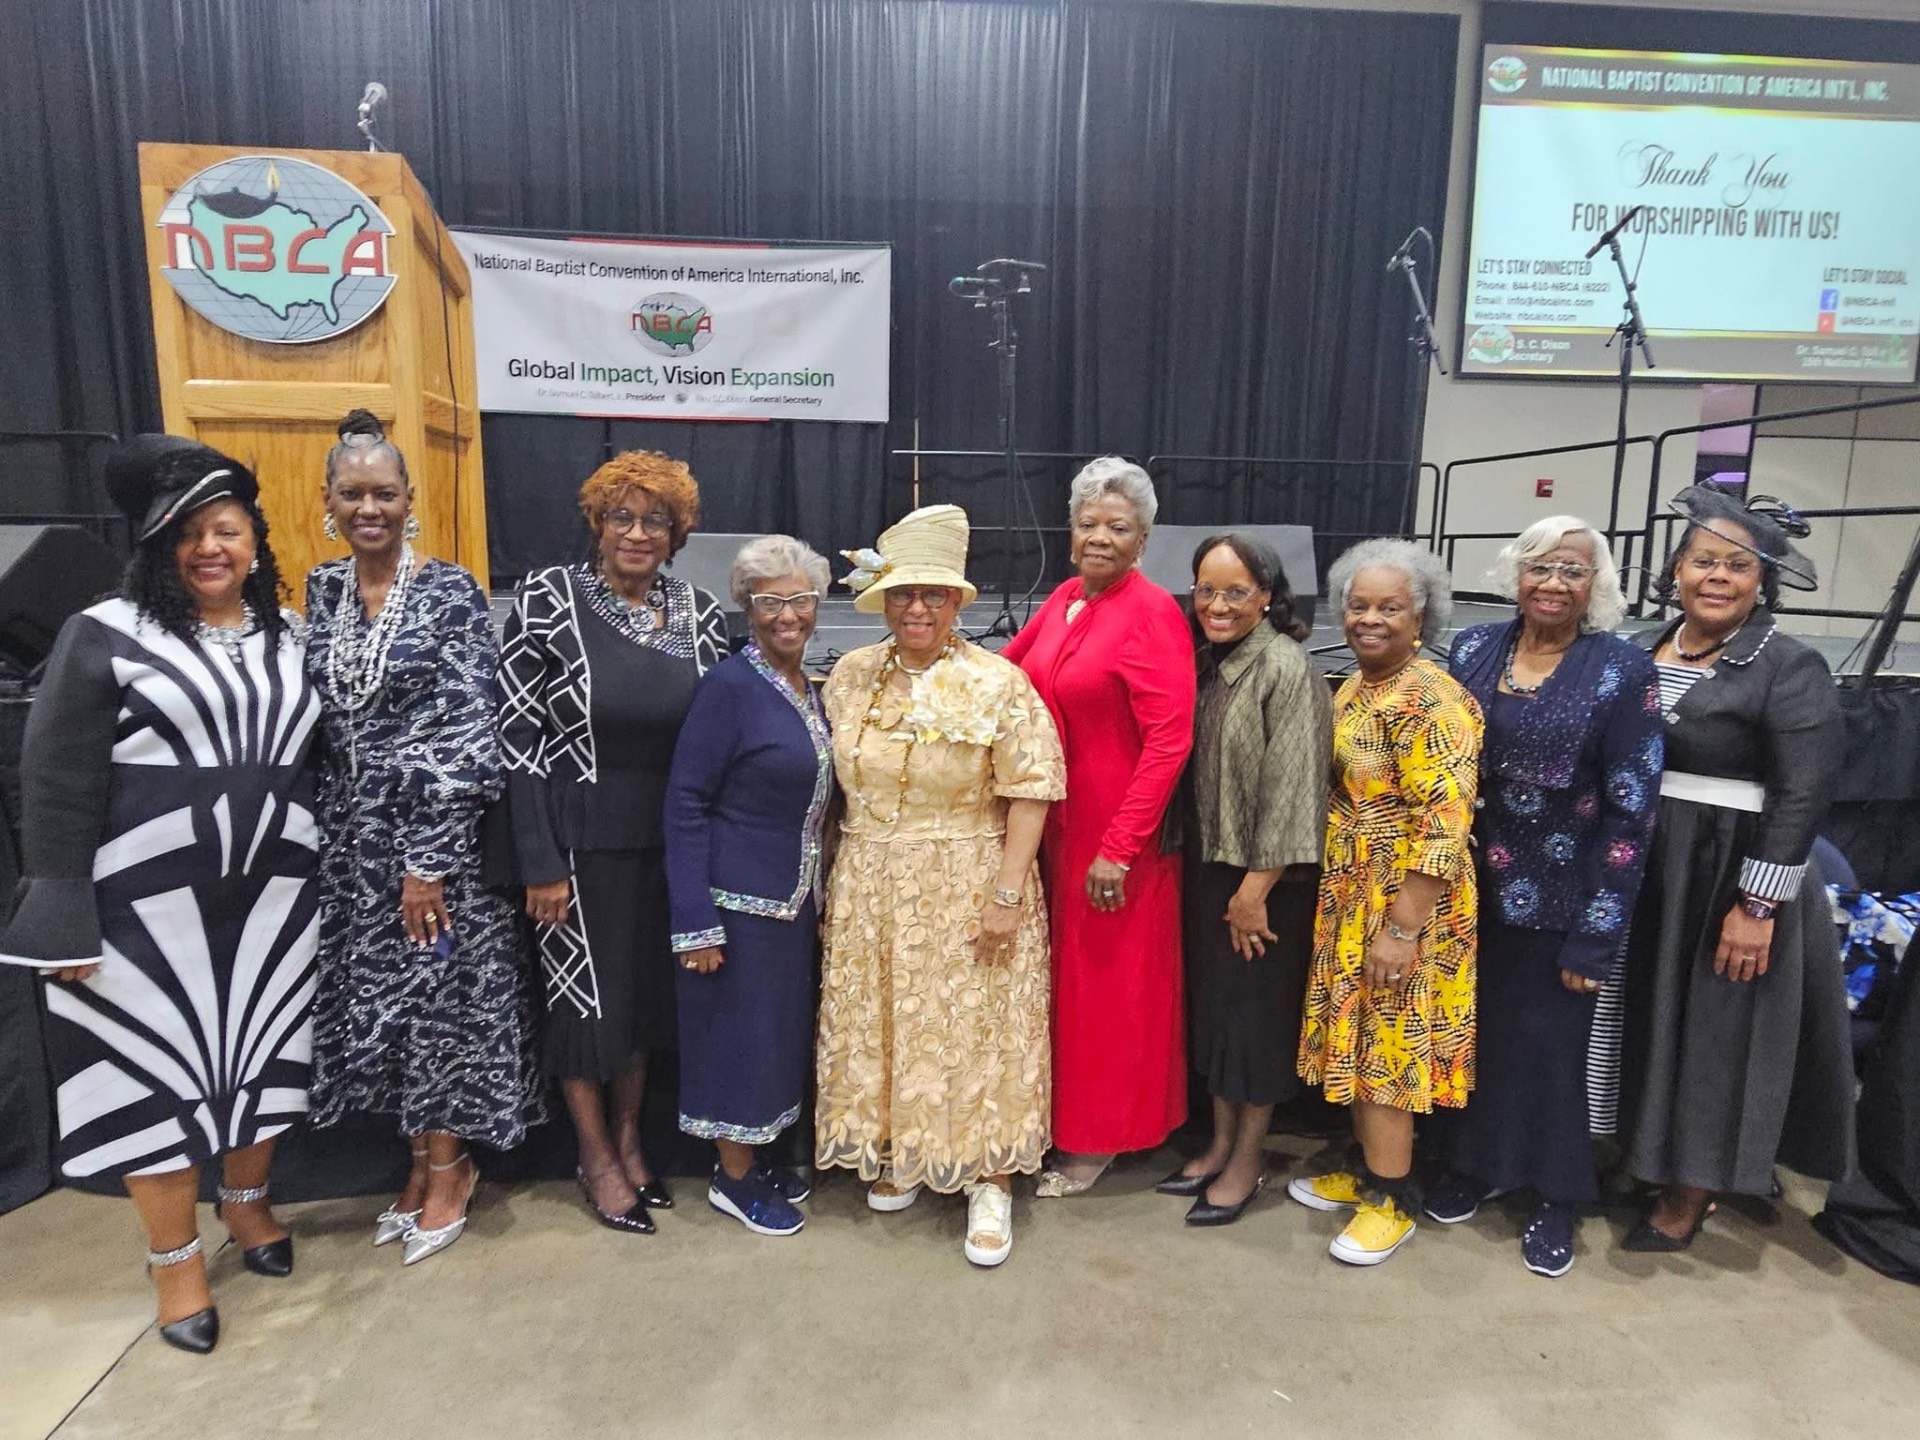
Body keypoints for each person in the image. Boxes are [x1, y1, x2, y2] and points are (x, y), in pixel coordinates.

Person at [0, 436, 317, 1353]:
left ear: (255, 539)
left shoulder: (290, 635)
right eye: (188, 534)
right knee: (153, 1078)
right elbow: (54, 778)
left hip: (273, 902)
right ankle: (174, 1260)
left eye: (227, 529)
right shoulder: (104, 630)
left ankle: (248, 1208)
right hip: (143, 908)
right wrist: (58, 906)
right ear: (155, 546)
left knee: (259, 1063)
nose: (210, 548)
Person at [306, 410, 542, 1267]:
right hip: (349, 850)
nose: (369, 506)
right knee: (387, 1012)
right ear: (327, 501)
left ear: (411, 501)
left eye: (384, 493)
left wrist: (427, 861)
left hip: (430, 853)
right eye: (352, 493)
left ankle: (452, 1169)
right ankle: (414, 1164)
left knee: (439, 1007)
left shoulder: (449, 592)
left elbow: (470, 733)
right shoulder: (322, 591)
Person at [814, 504, 1064, 1267]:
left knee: (977, 1029)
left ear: (960, 601)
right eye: (902, 594)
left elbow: (1032, 789)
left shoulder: (998, 682)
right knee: (889, 1018)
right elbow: (833, 792)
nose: (916, 608)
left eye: (934, 594)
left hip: (967, 877)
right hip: (872, 877)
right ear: (882, 600)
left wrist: (1007, 894)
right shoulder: (852, 677)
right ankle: (911, 1148)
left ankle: (990, 1179)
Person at [1606, 485, 1854, 1251]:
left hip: (1728, 872)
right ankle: (1646, 1156)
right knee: (1652, 1017)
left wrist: (1758, 905)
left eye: (1737, 566)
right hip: (1650, 863)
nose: (1717, 576)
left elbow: (1804, 791)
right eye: (1703, 559)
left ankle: (1692, 1190)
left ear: (1761, 582)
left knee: (1717, 1034)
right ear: (1676, 570)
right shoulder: (1642, 642)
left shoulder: (1787, 663)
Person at [498, 450, 728, 1235]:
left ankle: (631, 1141)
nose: (637, 532)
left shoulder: (699, 614)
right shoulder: (548, 600)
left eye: (655, 520)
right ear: (597, 524)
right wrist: (538, 859)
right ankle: (593, 1155)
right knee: (585, 1007)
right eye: (621, 517)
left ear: (678, 532)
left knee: (642, 1006)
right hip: (578, 849)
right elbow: (518, 739)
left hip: (671, 848)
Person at [1437, 518, 1662, 1276]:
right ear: (1516, 574)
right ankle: (1476, 1164)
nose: (1554, 583)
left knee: (1550, 1052)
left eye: (1572, 569)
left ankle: (1558, 1195)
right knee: (1481, 1037)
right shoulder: (1473, 649)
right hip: (1468, 888)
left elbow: (1634, 809)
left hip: (1565, 898)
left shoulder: (1623, 671)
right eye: (1540, 567)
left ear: (1595, 583)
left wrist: (1597, 933)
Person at [1000, 457, 1195, 1196]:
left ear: (1143, 539)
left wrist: (1120, 847)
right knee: (1067, 990)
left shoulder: (1151, 613)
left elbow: (1169, 742)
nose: (1099, 537)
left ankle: (1098, 1140)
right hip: (1055, 827)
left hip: (1114, 843)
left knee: (1107, 996)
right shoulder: (1067, 599)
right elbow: (1008, 672)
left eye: (1118, 527)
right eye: (1088, 524)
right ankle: (1066, 1119)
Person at [1288, 538, 1482, 1266]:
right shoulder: (1361, 685)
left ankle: (1392, 1200)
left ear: (1421, 615)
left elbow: (1446, 823)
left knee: (1392, 1050)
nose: (1370, 619)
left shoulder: (1433, 699)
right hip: (1356, 889)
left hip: (1408, 900)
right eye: (1359, 605)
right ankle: (1370, 1169)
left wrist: (1401, 927)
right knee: (1364, 1044)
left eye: (1389, 607)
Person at [664, 535, 835, 1238]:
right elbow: (685, 803)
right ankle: (732, 1180)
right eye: (770, 602)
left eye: (799, 600)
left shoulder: (806, 686)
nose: (786, 615)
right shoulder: (728, 688)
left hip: (789, 905)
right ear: (747, 607)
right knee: (735, 1044)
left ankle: (756, 1163)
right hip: (734, 907)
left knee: (770, 1042)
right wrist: (695, 920)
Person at [1159, 534, 1330, 1225]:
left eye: (1235, 591)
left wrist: (1253, 894)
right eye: (1206, 589)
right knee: (1221, 1022)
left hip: (1263, 885)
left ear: (1267, 596)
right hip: (1211, 871)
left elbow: (1294, 795)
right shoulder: (1208, 663)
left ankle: (1249, 1159)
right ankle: (1221, 1141)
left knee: (1254, 1030)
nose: (1218, 604)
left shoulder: (1286, 669)